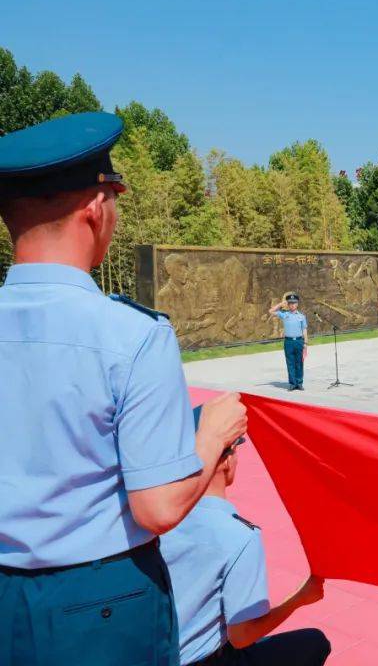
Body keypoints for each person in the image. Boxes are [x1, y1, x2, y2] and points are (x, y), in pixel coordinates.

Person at [0, 112, 248, 665]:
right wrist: (212, 436)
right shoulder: (132, 335)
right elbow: (158, 506)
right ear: (95, 206)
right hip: (99, 605)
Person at [161, 435, 330, 666]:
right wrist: (299, 599)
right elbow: (242, 636)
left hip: (153, 653)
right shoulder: (239, 536)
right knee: (315, 643)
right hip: (203, 660)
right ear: (226, 462)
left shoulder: (158, 518)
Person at [268, 293, 308, 390]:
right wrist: (281, 304)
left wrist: (305, 343)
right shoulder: (284, 314)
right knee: (290, 363)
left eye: (294, 303)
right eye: (290, 303)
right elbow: (271, 311)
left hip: (299, 341)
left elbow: (304, 330)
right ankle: (292, 383)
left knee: (299, 363)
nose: (292, 305)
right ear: (288, 304)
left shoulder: (301, 316)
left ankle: (299, 383)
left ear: (297, 304)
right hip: (288, 342)